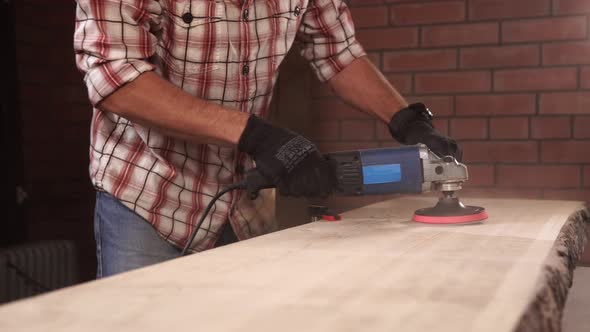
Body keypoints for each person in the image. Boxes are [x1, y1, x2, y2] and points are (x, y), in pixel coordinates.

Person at [74, 0, 461, 278]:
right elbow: (115, 77)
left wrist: (405, 119)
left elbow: (338, 50)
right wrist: (255, 134)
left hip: (245, 201)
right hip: (149, 194)